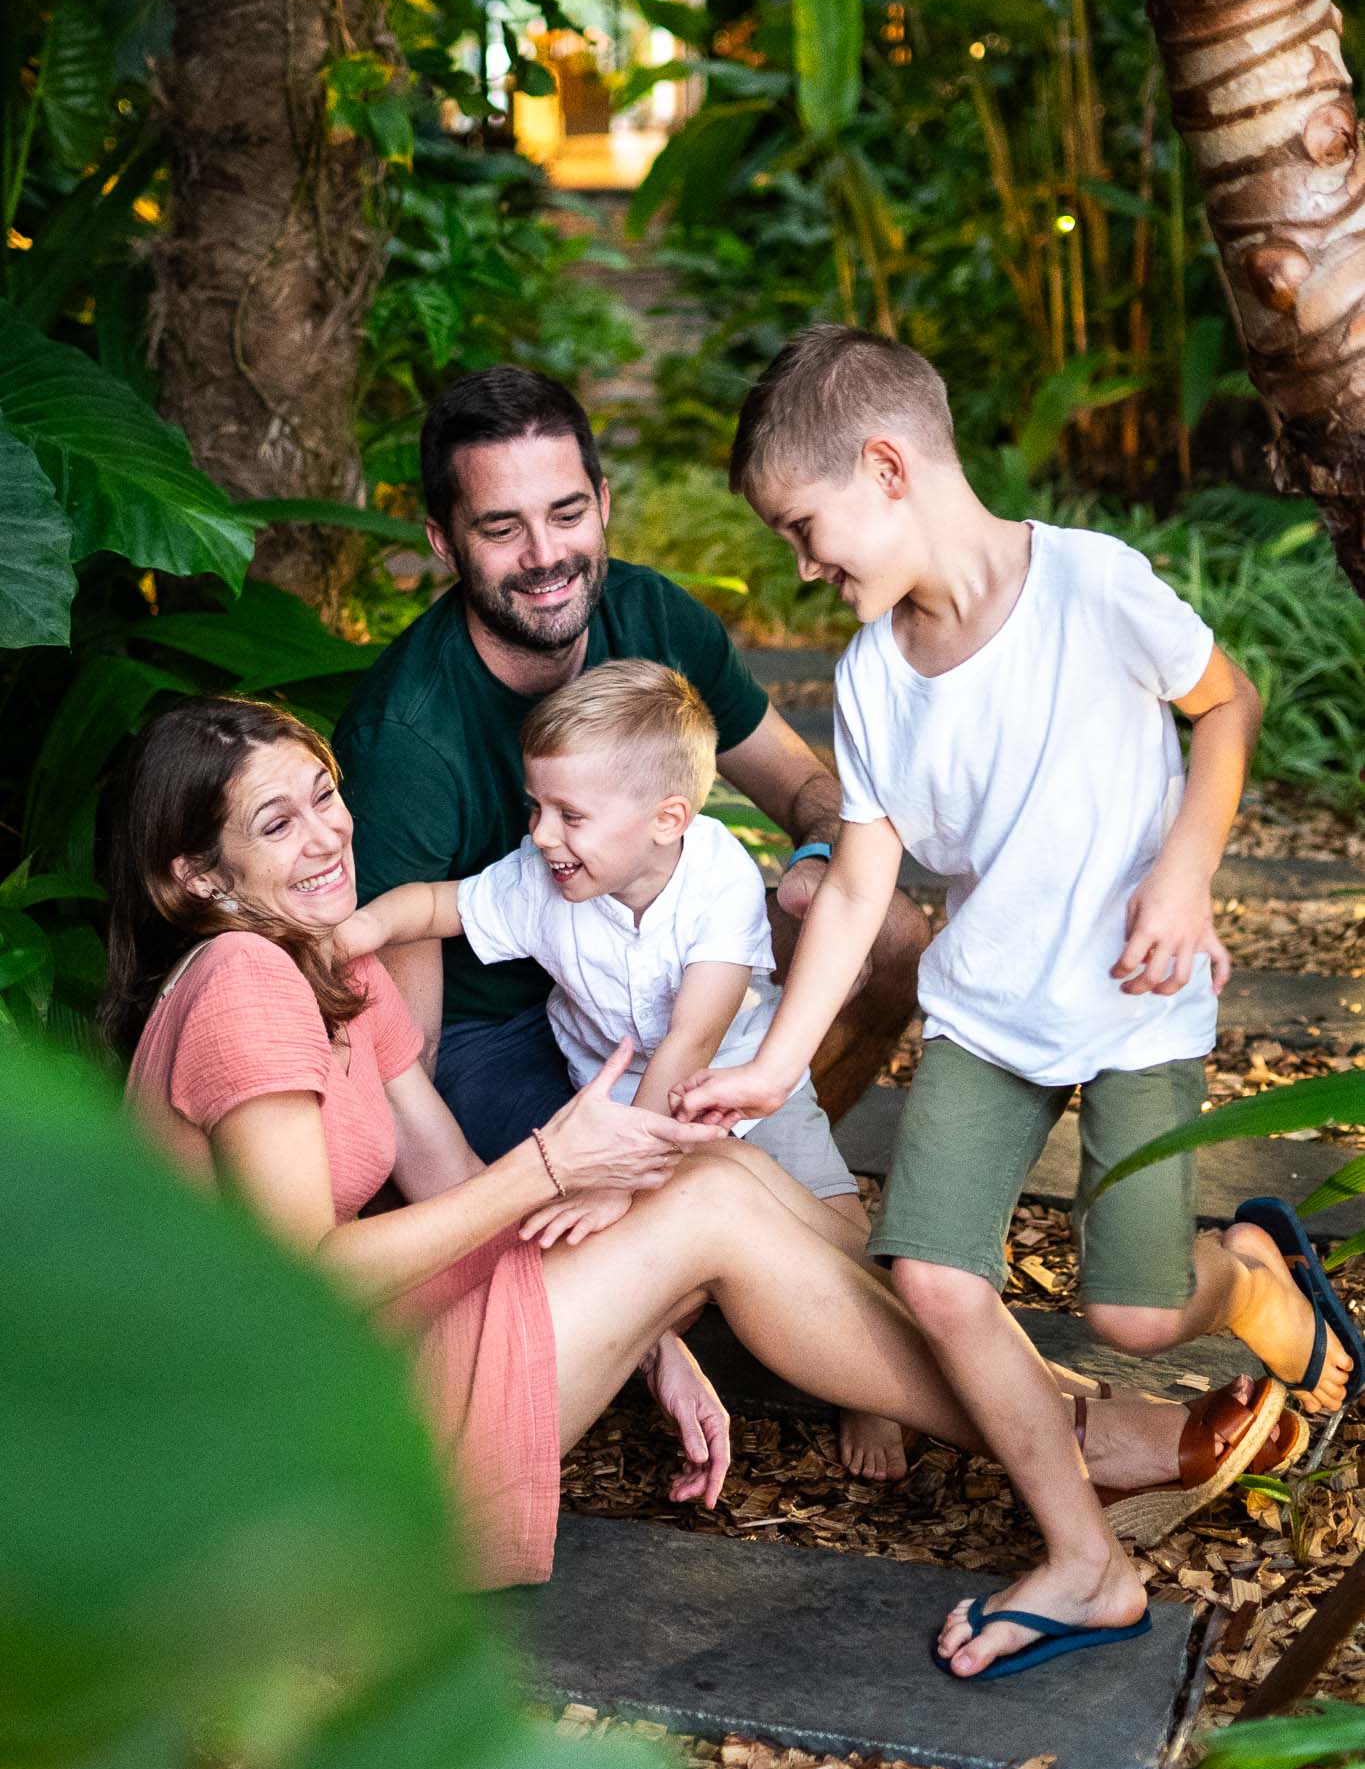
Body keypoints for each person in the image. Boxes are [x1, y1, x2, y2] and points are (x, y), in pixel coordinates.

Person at [102, 695, 1296, 1610]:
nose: (326, 836)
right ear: (193, 877)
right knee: (708, 1204)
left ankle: (1070, 1421)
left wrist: (648, 1334)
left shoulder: (330, 959)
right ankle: (1081, 1435)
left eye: (323, 794)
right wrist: (555, 1168)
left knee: (717, 1179)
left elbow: (447, 1185)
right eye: (276, 821)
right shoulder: (245, 980)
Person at [675, 325, 1350, 1680]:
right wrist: (773, 1066)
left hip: (1135, 994)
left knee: (1137, 1321)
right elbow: (862, 889)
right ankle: (1085, 1563)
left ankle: (1257, 1278)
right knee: (930, 1273)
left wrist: (1184, 871)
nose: (804, 568)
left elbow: (1226, 706)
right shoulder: (872, 682)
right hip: (988, 1009)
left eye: (807, 530)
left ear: (885, 468)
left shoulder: (1093, 586)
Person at [334, 363, 929, 1480]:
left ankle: (733, 1220)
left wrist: (810, 863)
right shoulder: (406, 740)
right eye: (501, 527)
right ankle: (681, 1266)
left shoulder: (649, 616)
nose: (546, 553)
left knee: (884, 930)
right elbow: (400, 1054)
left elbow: (812, 795)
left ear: (603, 501)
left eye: (566, 512)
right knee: (662, 1187)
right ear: (443, 537)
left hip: (660, 978)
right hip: (500, 1031)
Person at [336, 659, 862, 1245]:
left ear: (667, 820)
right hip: (608, 1098)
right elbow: (439, 906)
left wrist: (622, 1178)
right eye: (536, 806)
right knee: (637, 1243)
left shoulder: (720, 879)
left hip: (739, 1085)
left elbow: (694, 1037)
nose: (540, 833)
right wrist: (364, 929)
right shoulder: (542, 880)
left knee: (835, 1229)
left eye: (571, 816)